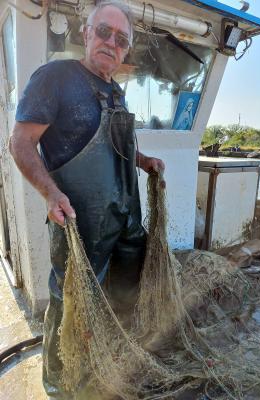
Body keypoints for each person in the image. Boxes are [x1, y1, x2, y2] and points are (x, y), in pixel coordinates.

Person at [9, 1, 164, 398]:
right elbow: (21, 143)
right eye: (104, 32)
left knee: (122, 293)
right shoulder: (55, 78)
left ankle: (110, 358)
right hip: (78, 223)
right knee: (70, 304)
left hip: (124, 219)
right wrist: (50, 192)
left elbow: (121, 145)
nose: (111, 43)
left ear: (126, 50)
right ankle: (61, 386)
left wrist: (144, 161)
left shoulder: (116, 91)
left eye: (121, 39)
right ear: (86, 33)